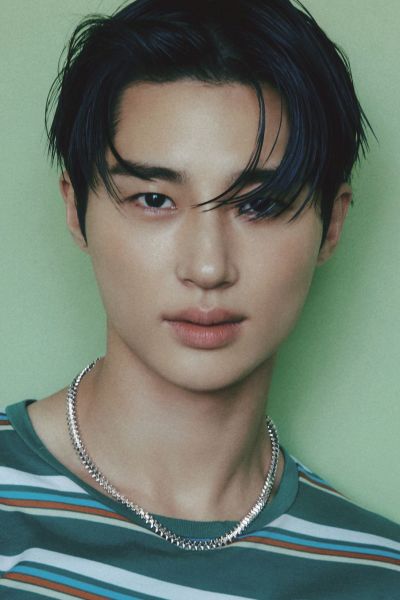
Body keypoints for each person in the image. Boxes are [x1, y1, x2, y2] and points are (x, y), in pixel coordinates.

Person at [1, 0, 399, 597]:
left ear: (332, 224)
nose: (208, 267)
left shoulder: (377, 573)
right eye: (153, 200)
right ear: (76, 210)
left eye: (260, 204)